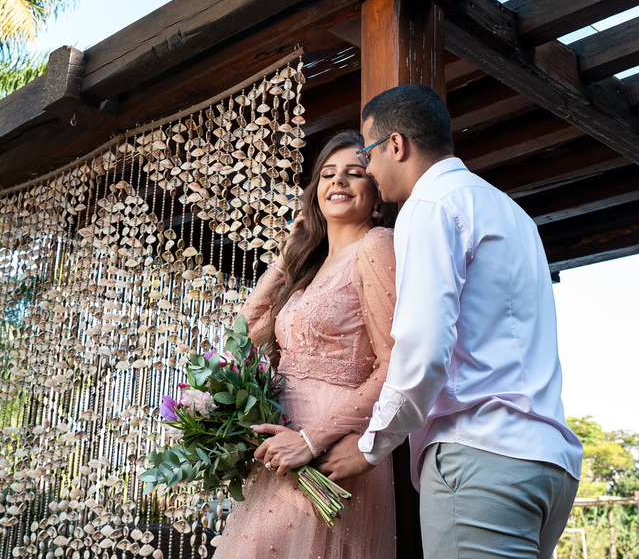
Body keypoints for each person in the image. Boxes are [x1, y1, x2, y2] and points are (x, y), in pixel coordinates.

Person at [314, 83, 583, 559]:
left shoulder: (429, 207)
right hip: (549, 463)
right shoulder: (511, 211)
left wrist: (371, 446)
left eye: (368, 154)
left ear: (397, 145)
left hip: (480, 457)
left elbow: (423, 346)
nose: (368, 169)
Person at [212, 130, 398, 559]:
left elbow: (394, 365)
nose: (338, 181)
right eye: (328, 174)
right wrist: (286, 257)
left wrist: (312, 440)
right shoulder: (310, 269)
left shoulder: (376, 245)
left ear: (376, 192)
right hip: (280, 449)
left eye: (354, 173)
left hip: (329, 449)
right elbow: (243, 339)